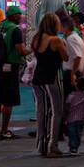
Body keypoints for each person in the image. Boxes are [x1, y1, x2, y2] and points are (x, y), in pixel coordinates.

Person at [30, 13, 69, 157]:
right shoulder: (56, 40)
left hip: (37, 78)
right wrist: (64, 44)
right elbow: (66, 57)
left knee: (41, 111)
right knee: (56, 111)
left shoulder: (36, 39)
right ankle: (52, 145)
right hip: (52, 77)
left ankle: (41, 145)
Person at [0, 6, 28, 140]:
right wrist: (34, 49)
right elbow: (21, 51)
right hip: (10, 66)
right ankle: (5, 130)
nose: (21, 17)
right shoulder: (15, 30)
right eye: (19, 15)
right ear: (14, 16)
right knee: (8, 100)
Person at [64, 74, 84, 155]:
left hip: (71, 118)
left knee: (72, 133)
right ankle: (75, 146)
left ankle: (73, 147)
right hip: (82, 118)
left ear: (76, 86)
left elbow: (67, 106)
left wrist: (65, 116)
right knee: (78, 133)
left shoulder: (71, 95)